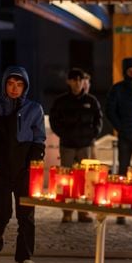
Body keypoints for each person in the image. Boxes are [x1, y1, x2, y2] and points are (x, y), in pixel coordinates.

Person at [0, 66, 46, 263]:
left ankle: (24, 259)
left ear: (25, 87)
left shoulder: (34, 109)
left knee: (26, 216)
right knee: (1, 213)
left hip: (24, 170)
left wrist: (33, 165)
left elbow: (39, 139)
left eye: (19, 84)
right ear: (4, 85)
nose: (14, 88)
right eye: (10, 83)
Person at [49, 68, 103, 223]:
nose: (77, 83)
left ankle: (83, 212)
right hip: (67, 145)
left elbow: (99, 119)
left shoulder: (91, 101)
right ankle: (67, 212)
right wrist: (63, 134)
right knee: (65, 179)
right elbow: (54, 120)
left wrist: (92, 135)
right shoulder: (61, 101)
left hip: (85, 145)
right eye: (74, 80)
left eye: (80, 80)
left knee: (85, 180)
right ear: (69, 81)